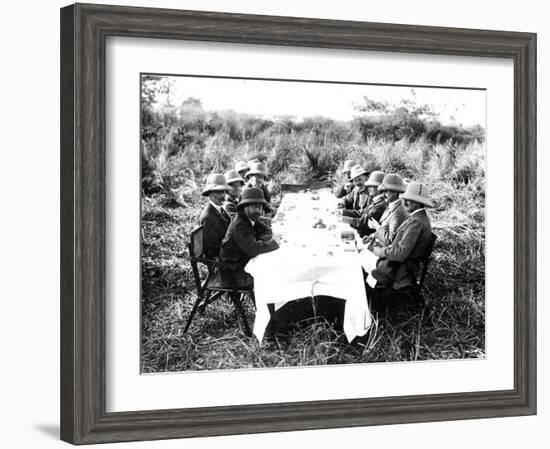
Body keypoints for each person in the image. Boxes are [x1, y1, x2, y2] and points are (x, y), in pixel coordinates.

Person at [368, 181, 434, 303]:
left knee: (363, 282)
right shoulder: (417, 217)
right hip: (397, 267)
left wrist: (381, 252)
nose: (404, 201)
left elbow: (400, 253)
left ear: (419, 203)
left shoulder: (416, 222)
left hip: (399, 272)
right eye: (405, 198)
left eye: (410, 199)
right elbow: (399, 244)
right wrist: (382, 246)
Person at [219, 188, 279, 287]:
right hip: (233, 270)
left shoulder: (251, 217)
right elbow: (253, 249)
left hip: (242, 259)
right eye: (255, 207)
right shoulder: (239, 224)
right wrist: (274, 243)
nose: (259, 211)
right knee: (271, 271)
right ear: (245, 207)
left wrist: (264, 241)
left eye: (260, 208)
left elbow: (266, 230)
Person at [364, 173, 407, 247]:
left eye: (386, 191)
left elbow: (391, 240)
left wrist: (377, 227)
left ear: (395, 193)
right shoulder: (391, 205)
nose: (383, 194)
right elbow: (386, 230)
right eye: (382, 191)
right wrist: (372, 236)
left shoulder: (398, 212)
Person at [198, 173, 232, 259]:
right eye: (219, 192)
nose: (223, 196)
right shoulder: (207, 217)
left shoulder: (220, 209)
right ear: (210, 193)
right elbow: (212, 250)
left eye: (224, 192)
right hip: (224, 259)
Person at [347, 171, 387, 237]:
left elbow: (362, 223)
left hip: (368, 237)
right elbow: (362, 212)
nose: (368, 188)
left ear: (380, 188)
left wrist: (343, 218)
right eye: (369, 186)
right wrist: (343, 212)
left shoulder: (380, 205)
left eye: (372, 186)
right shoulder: (375, 201)